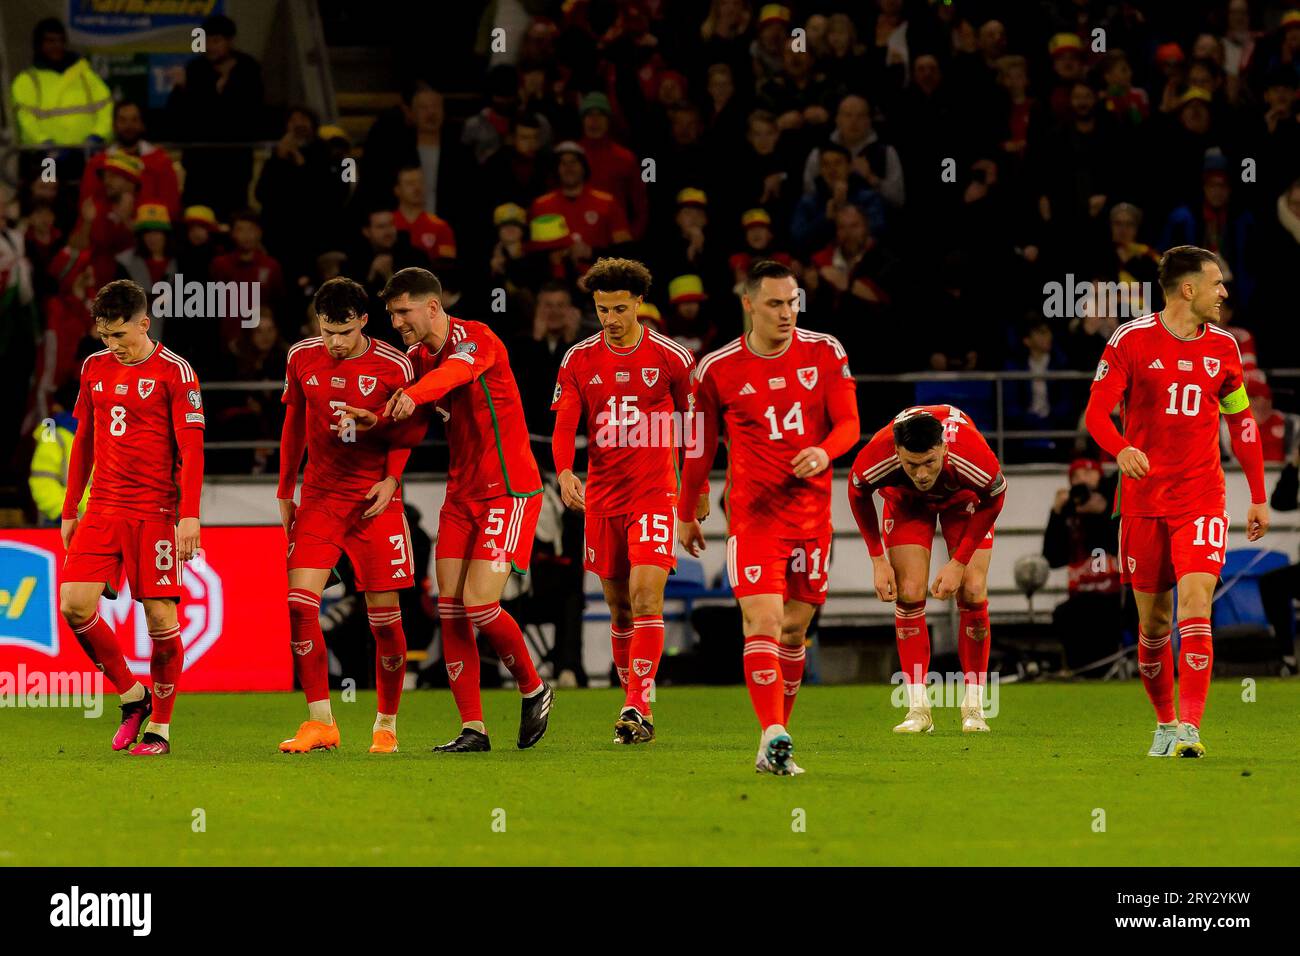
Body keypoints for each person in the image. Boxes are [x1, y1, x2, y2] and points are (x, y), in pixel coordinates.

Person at [1085, 246, 1269, 758]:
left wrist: (1257, 495)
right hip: (1143, 504)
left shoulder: (1226, 349)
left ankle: (1190, 727)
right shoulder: (1132, 340)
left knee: (1195, 604)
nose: (1224, 293)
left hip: (1202, 498)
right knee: (1153, 625)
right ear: (1189, 289)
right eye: (1217, 283)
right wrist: (1121, 448)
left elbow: (1243, 423)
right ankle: (1164, 723)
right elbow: (1097, 414)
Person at [677, 259, 859, 775]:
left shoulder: (826, 351)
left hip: (812, 518)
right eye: (776, 303)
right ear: (749, 303)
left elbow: (849, 422)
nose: (786, 313)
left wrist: (825, 452)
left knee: (795, 634)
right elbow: (700, 449)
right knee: (763, 620)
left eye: (793, 302)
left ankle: (772, 742)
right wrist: (687, 509)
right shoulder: (716, 368)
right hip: (754, 518)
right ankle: (775, 732)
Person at [364, 268, 554, 753]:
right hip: (461, 496)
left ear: (432, 306)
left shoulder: (478, 338)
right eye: (391, 314)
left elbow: (457, 374)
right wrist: (381, 418)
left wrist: (408, 394)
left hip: (509, 491)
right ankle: (474, 728)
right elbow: (412, 424)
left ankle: (534, 688)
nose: (397, 321)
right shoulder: (415, 360)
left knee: (480, 603)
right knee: (448, 606)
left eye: (402, 311)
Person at [58, 280, 206, 756]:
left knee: (160, 619)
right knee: (74, 604)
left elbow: (193, 449)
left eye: (120, 335)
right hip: (101, 507)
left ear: (145, 324)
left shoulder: (176, 372)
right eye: (105, 336)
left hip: (155, 512)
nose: (113, 346)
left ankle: (160, 729)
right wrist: (70, 507)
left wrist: (190, 516)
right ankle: (132, 695)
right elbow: (84, 441)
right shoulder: (93, 367)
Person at [551, 258, 695, 742]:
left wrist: (694, 492)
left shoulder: (672, 357)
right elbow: (566, 423)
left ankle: (637, 703)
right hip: (603, 496)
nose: (609, 319)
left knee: (645, 595)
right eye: (601, 309)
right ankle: (636, 705)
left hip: (655, 492)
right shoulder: (578, 359)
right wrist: (567, 470)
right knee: (618, 609)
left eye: (617, 308)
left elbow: (694, 429)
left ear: (638, 303)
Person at [275, 278, 420, 754]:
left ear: (363, 321)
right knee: (299, 604)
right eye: (326, 330)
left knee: (384, 622)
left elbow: (408, 430)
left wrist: (392, 480)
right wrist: (285, 489)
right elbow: (293, 421)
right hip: (319, 498)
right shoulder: (301, 357)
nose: (334, 342)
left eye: (343, 331)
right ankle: (321, 722)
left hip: (374, 501)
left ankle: (386, 723)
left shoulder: (395, 364)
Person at [848, 406, 1006, 733]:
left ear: (944, 448)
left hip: (962, 498)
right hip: (906, 502)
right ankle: (918, 709)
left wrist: (959, 562)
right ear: (897, 453)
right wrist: (877, 560)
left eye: (929, 462)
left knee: (973, 590)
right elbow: (857, 491)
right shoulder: (877, 455)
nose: (921, 474)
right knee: (908, 592)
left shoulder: (970, 454)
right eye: (911, 464)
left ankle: (974, 707)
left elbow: (995, 496)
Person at [1042, 457, 1125, 670]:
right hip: (1080, 595)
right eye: (1076, 476)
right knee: (1064, 616)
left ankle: (1107, 669)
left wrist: (1104, 513)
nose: (1082, 479)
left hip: (1113, 593)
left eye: (1088, 474)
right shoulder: (1070, 513)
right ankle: (1078, 670)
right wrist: (1056, 515)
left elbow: (1121, 544)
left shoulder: (1115, 504)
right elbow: (1053, 558)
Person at [11, 17, 112, 146]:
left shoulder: (85, 75)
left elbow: (106, 109)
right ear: (38, 44)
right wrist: (43, 142)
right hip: (47, 156)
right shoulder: (26, 81)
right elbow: (25, 120)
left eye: (60, 40)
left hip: (86, 153)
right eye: (50, 41)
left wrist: (98, 136)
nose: (57, 46)